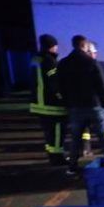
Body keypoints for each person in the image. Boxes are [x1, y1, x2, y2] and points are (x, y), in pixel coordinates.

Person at [57, 35, 104, 175]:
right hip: (94, 106)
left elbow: (60, 86)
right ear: (85, 46)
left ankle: (72, 166)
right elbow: (101, 86)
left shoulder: (63, 63)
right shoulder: (91, 62)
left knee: (75, 138)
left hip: (75, 107)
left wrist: (67, 103)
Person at [29, 34, 66, 165]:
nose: (56, 48)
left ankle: (51, 155)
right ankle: (57, 158)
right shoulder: (50, 61)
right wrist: (62, 98)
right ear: (51, 46)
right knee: (57, 132)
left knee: (48, 132)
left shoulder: (36, 59)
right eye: (55, 45)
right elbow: (54, 83)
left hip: (38, 104)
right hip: (51, 105)